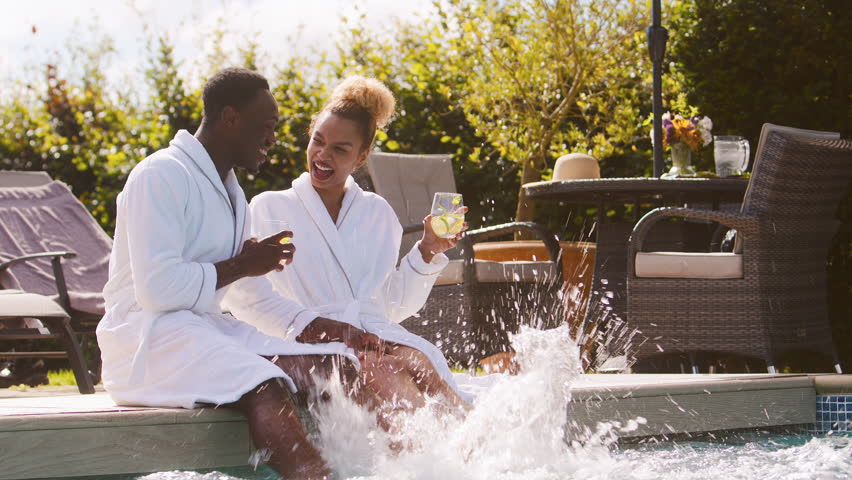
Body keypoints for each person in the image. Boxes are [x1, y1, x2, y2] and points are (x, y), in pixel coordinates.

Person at [96, 67, 380, 479]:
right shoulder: (159, 176)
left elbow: (250, 298)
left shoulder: (232, 194)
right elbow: (157, 290)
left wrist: (322, 326)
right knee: (265, 384)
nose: (273, 139)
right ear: (230, 118)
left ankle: (391, 468)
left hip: (202, 330)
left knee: (335, 368)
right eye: (266, 127)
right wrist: (242, 264)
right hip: (144, 340)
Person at [225, 75, 469, 429]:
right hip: (307, 344)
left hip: (373, 337)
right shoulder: (268, 207)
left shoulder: (377, 213)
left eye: (340, 149)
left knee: (418, 361)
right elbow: (244, 296)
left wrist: (428, 250)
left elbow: (391, 306)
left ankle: (473, 442)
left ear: (361, 157)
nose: (323, 155)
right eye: (318, 141)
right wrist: (321, 329)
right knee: (386, 370)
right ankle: (429, 451)